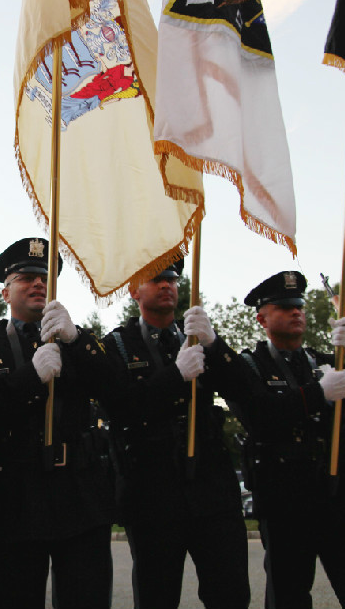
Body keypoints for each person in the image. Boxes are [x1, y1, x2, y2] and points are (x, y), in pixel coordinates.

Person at [205, 270, 345, 609]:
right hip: (285, 495)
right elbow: (261, 416)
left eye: (300, 306)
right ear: (262, 317)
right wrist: (316, 394)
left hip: (338, 490)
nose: (297, 312)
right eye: (284, 307)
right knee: (289, 594)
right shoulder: (248, 366)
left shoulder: (325, 362)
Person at [0, 237, 116, 609]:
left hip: (79, 493)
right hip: (14, 493)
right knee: (15, 598)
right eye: (25, 277)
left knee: (87, 597)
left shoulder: (78, 342)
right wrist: (30, 377)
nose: (38, 283)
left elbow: (116, 390)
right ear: (5, 292)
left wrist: (76, 339)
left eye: (45, 277)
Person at [103, 259, 249, 609]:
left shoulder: (198, 337)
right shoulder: (118, 345)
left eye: (172, 279)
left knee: (229, 592)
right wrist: (174, 375)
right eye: (156, 280)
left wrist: (216, 346)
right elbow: (119, 407)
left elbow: (246, 391)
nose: (167, 285)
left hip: (211, 486)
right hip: (153, 490)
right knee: (157, 594)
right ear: (134, 291)